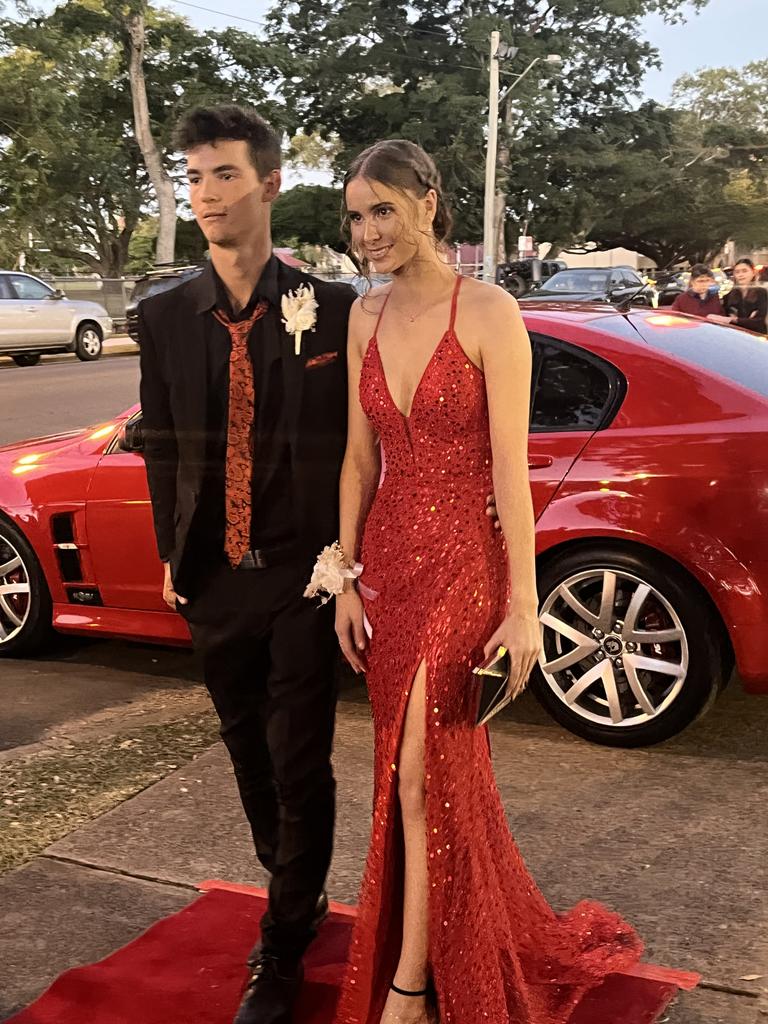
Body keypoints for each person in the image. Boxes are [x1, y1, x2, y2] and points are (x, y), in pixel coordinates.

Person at [332, 139, 643, 1024]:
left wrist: (523, 606)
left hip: (465, 563)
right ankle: (437, 940)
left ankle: (410, 986)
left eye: (382, 209)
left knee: (423, 777)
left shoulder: (490, 310)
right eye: (355, 217)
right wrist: (346, 574)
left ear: (429, 204)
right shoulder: (364, 316)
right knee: (407, 772)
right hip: (387, 566)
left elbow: (512, 474)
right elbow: (357, 463)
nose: (367, 233)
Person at [138, 104, 357, 1024]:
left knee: (298, 761)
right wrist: (166, 554)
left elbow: (361, 442)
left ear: (268, 183)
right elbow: (161, 444)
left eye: (222, 174)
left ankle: (280, 949)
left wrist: (349, 562)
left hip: (303, 577)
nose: (204, 195)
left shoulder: (335, 309)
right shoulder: (162, 315)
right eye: (192, 178)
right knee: (245, 754)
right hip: (213, 578)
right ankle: (293, 889)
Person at [709, 258, 768, 334]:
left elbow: (759, 321)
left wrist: (734, 319)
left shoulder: (761, 293)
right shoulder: (729, 295)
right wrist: (746, 320)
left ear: (753, 272)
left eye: (744, 271)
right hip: (737, 336)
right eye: (737, 272)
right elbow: (724, 319)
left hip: (756, 336)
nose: (741, 275)